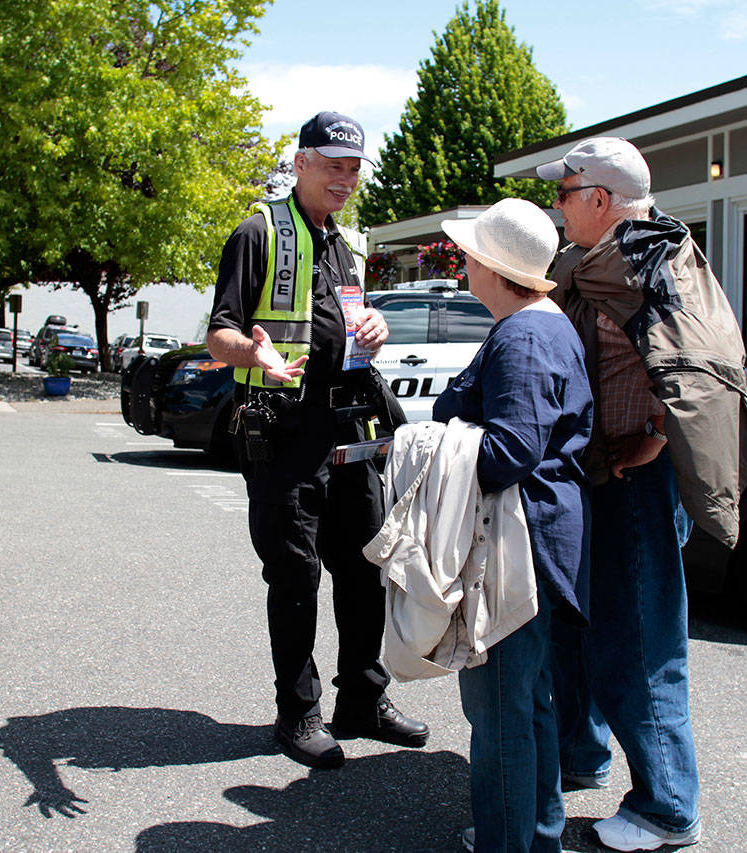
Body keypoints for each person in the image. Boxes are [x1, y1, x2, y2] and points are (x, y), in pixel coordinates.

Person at [536, 137, 747, 851]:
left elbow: (706, 361)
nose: (557, 206)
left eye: (564, 193)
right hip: (596, 475)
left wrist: (658, 436)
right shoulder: (598, 260)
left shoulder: (654, 261)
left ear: (599, 199)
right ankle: (582, 753)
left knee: (639, 642)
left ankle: (667, 808)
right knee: (583, 627)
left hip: (633, 482)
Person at [206, 111, 429, 769]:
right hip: (284, 433)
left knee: (365, 568)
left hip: (350, 430)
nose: (345, 178)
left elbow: (347, 321)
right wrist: (253, 353)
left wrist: (375, 328)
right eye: (333, 165)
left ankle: (361, 699)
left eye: (354, 168)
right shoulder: (258, 233)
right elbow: (219, 333)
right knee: (296, 576)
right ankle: (297, 712)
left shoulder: (344, 244)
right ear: (301, 162)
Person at [432, 198, 594, 852]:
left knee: (499, 710)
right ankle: (536, 834)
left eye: (470, 255)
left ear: (492, 268)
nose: (464, 264)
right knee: (531, 702)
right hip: (544, 538)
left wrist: (433, 445)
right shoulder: (545, 323)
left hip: (514, 544)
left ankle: (507, 842)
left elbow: (511, 451)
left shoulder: (521, 336)